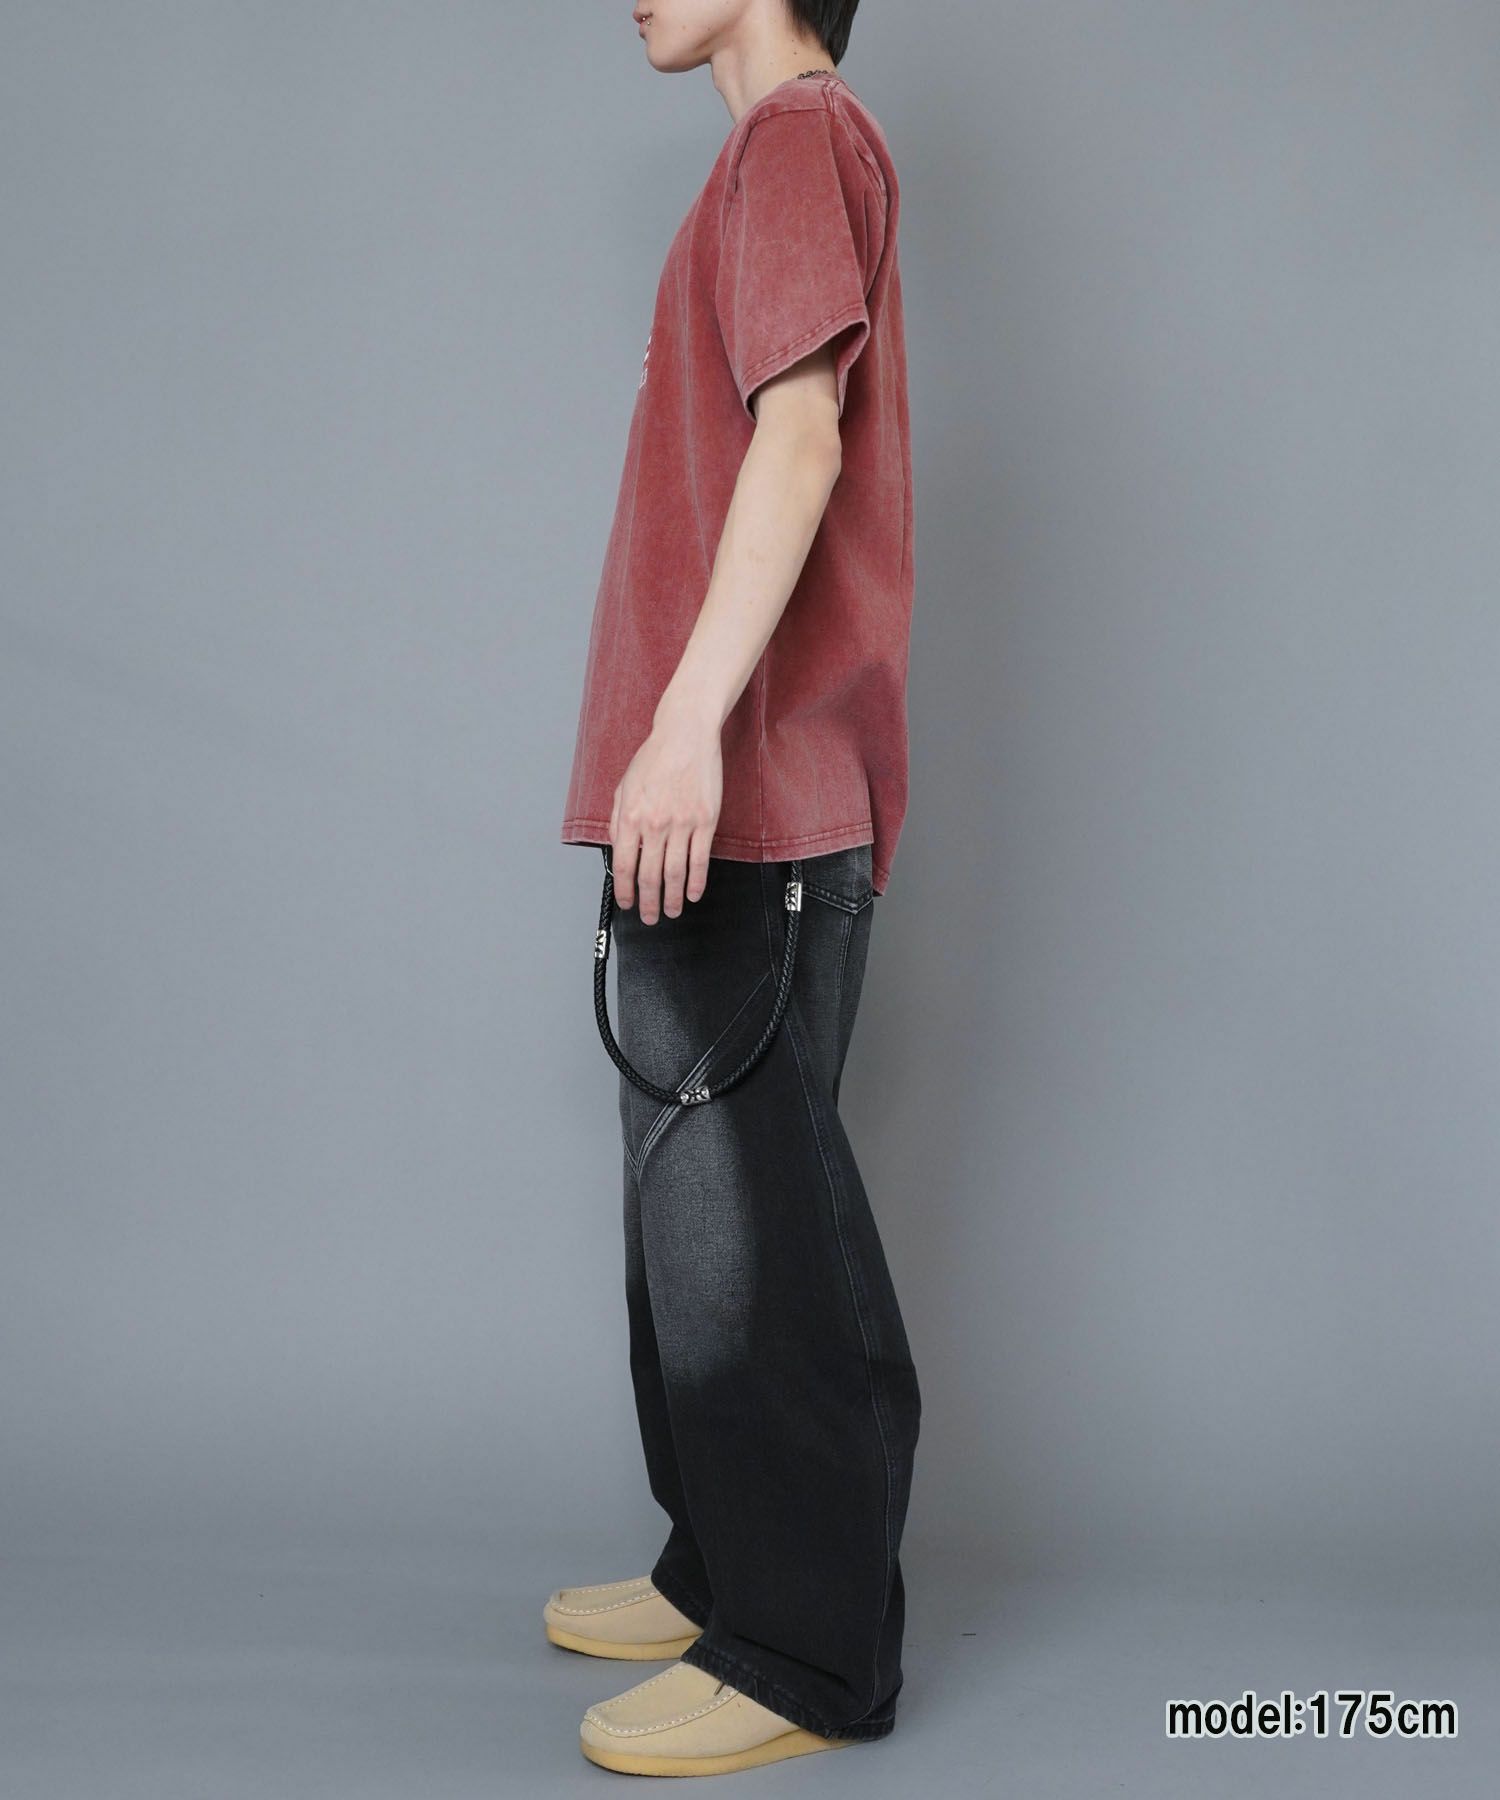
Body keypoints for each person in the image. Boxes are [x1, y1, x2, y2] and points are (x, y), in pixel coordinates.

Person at [553, 0, 921, 1776]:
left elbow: (802, 439)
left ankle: (804, 1653)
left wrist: (690, 729)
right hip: (707, 801)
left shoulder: (796, 137)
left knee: (756, 1245)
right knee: (693, 1238)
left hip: (747, 799)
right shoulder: (766, 159)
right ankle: (722, 1572)